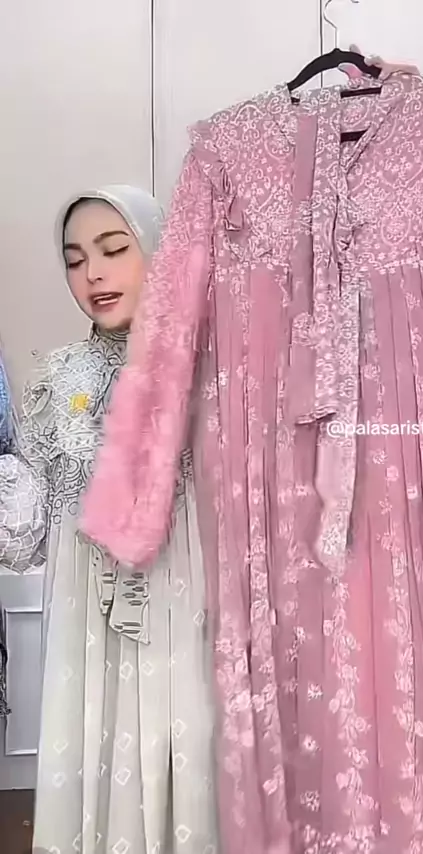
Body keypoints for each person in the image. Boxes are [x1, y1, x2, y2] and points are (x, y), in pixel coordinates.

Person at [0, 186, 218, 854]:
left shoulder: (209, 373)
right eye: (74, 260)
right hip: (86, 627)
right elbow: (26, 532)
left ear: (158, 250)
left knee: (187, 754)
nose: (93, 273)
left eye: (114, 249)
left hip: (182, 610)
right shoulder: (56, 380)